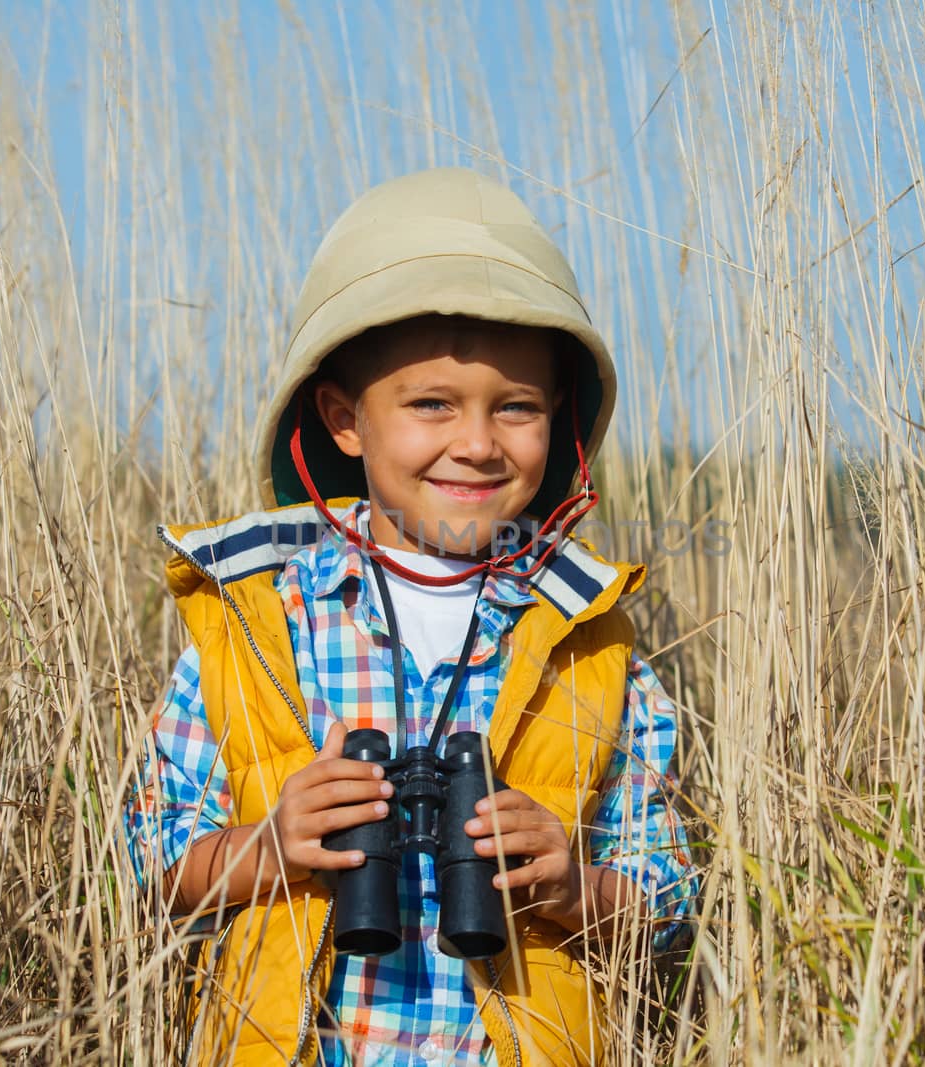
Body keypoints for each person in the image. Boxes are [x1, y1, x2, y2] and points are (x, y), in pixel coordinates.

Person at [126, 168, 693, 1066]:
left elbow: (667, 905)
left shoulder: (590, 642)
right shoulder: (260, 622)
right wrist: (267, 847)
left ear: (562, 427)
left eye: (518, 407)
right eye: (432, 403)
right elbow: (144, 873)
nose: (477, 441)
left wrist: (572, 886)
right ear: (345, 419)